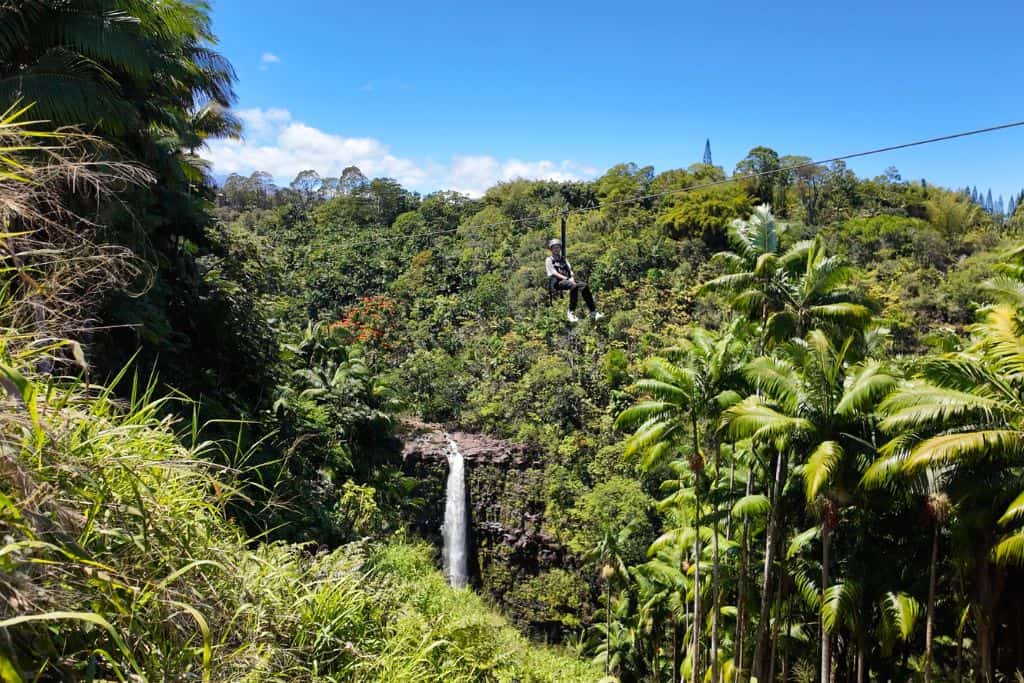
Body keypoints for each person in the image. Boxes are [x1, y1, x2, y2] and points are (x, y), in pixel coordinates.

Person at [545, 238, 603, 322]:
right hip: (556, 283)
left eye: (558, 247)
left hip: (567, 280)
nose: (557, 249)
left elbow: (569, 270)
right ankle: (571, 311)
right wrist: (567, 279)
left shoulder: (563, 259)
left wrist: (571, 277)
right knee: (574, 286)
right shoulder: (549, 260)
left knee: (584, 286)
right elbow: (554, 272)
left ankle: (593, 311)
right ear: (551, 249)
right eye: (555, 248)